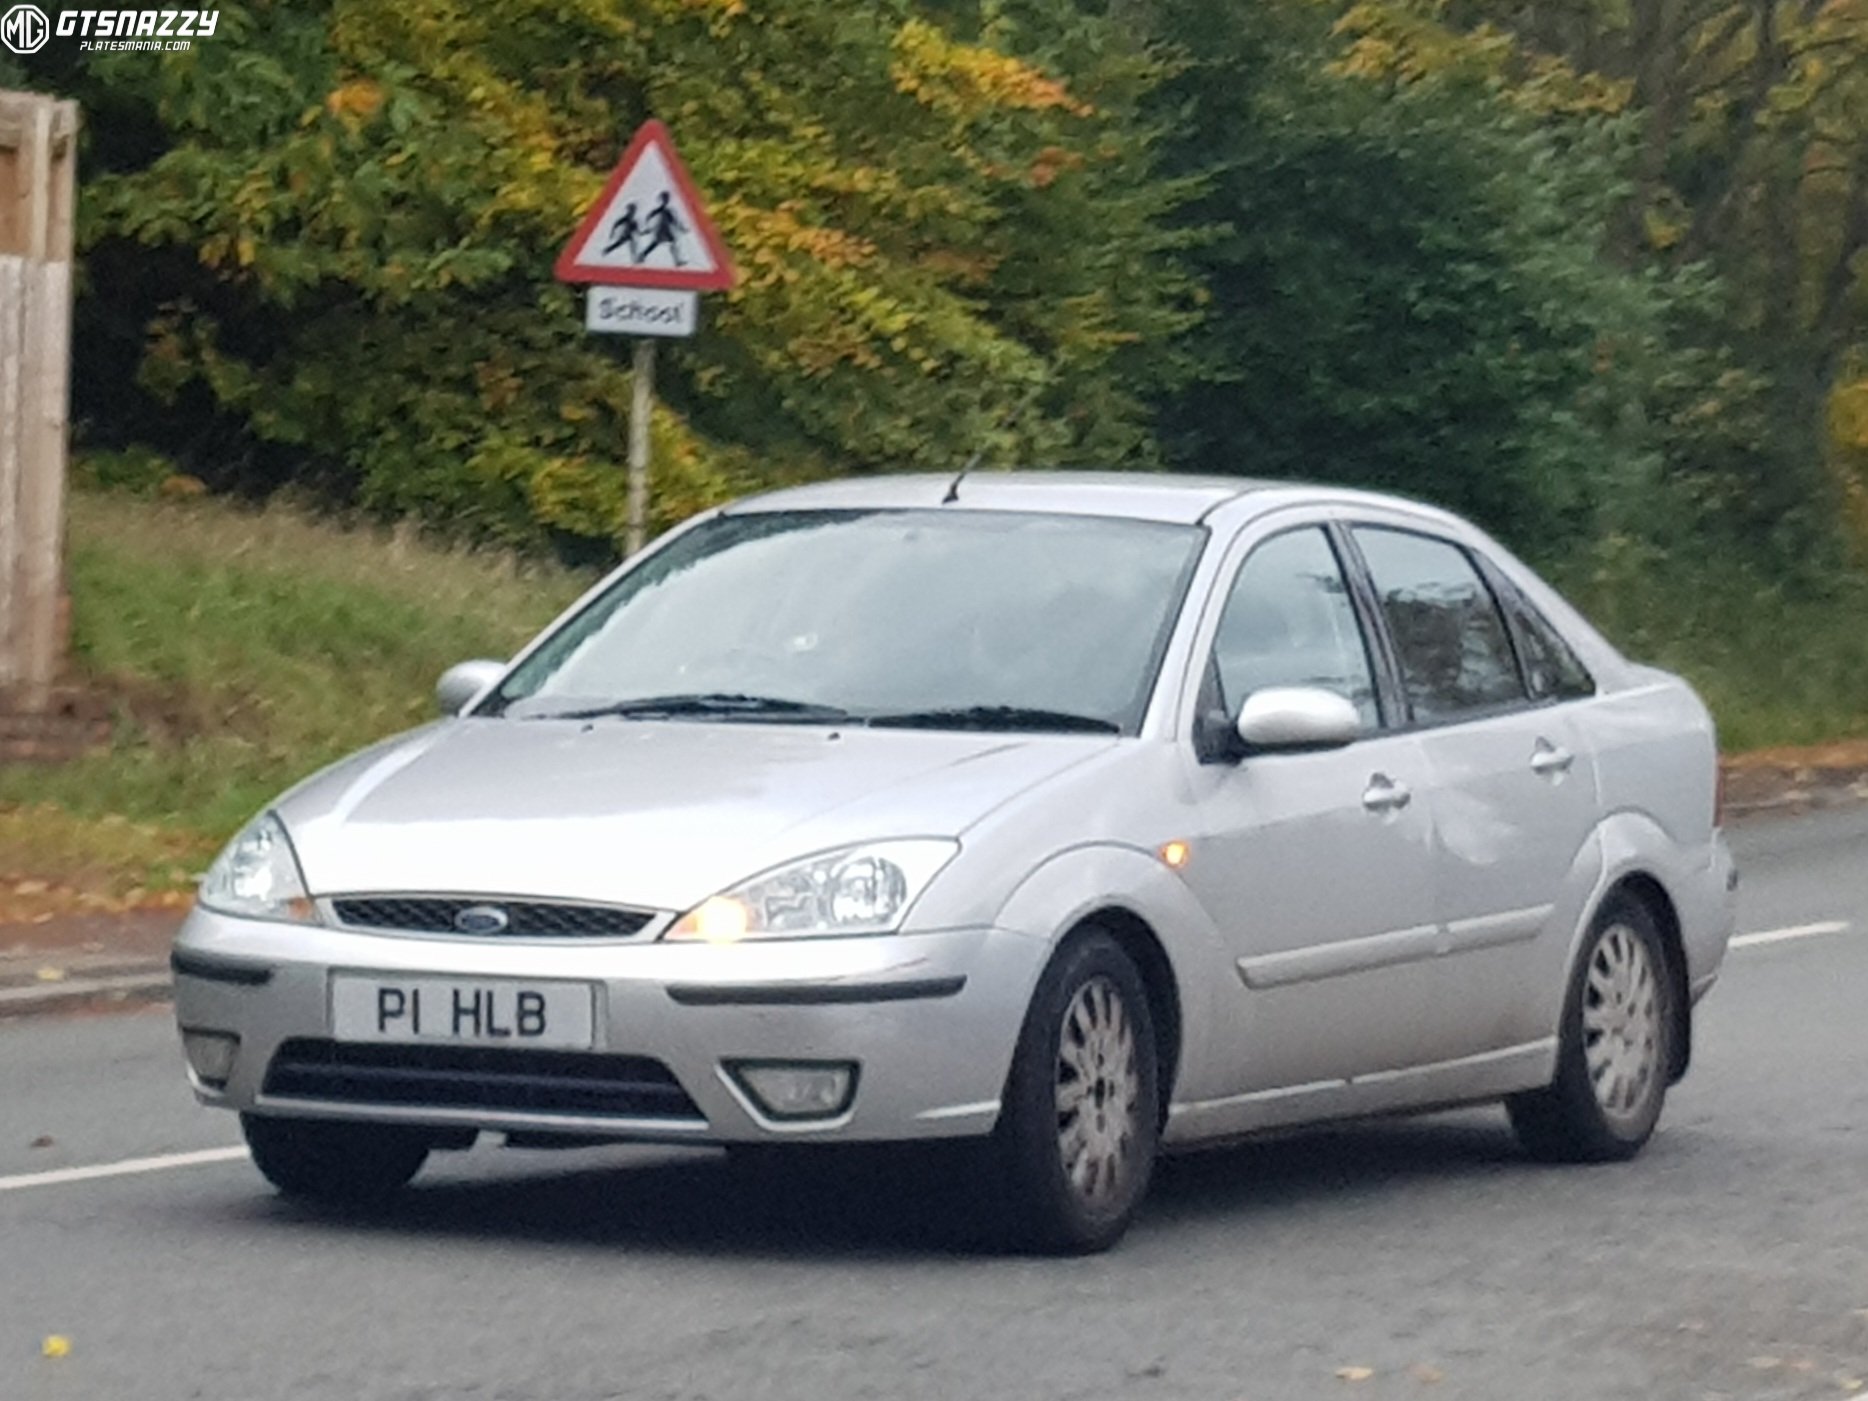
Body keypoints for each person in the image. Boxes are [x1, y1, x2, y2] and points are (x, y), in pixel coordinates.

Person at [641, 191, 688, 267]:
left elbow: (676, 221)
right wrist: (647, 228)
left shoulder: (670, 210)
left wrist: (682, 228)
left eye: (667, 199)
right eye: (664, 199)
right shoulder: (660, 210)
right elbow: (649, 216)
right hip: (660, 229)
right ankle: (642, 255)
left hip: (667, 230)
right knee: (655, 243)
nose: (666, 200)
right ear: (662, 200)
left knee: (673, 243)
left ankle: (678, 261)